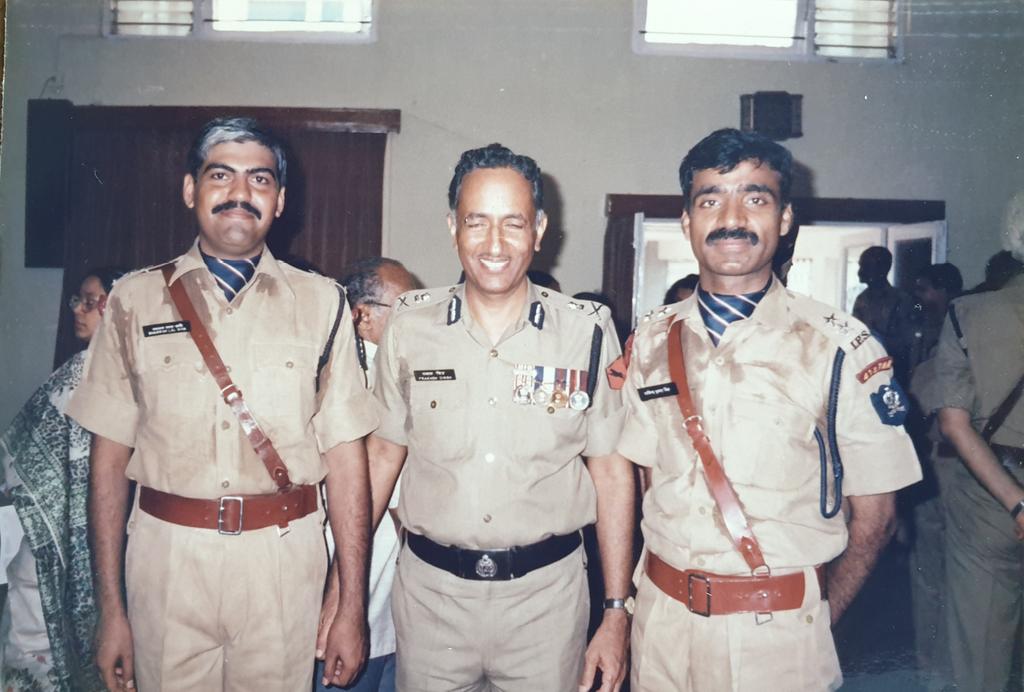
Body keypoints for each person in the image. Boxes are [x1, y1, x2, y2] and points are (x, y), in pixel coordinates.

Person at [66, 117, 378, 691]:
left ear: (280, 201)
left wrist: (350, 603)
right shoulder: (134, 300)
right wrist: (112, 608)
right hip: (166, 559)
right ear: (191, 190)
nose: (240, 193)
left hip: (283, 562)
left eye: (260, 180)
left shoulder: (322, 302)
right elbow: (107, 460)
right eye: (221, 176)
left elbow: (346, 459)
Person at [617, 128, 921, 691]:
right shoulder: (651, 342)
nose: (731, 217)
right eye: (710, 199)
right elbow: (639, 477)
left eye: (755, 198)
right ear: (687, 223)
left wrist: (813, 624)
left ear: (784, 220)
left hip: (778, 640)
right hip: (660, 631)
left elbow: (877, 518)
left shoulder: (841, 347)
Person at [355, 143, 635, 691]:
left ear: (539, 229)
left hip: (547, 604)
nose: (494, 244)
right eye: (476, 222)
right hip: (432, 600)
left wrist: (617, 610)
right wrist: (345, 591)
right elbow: (382, 457)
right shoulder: (410, 326)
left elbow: (611, 472)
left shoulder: (587, 331)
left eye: (513, 223)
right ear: (452, 226)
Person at [0, 268, 125, 691]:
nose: (77, 309)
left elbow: (19, 457)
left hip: (70, 536)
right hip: (77, 533)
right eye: (78, 299)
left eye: (91, 301)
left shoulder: (91, 371)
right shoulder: (108, 370)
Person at [932, 193, 1024, 692]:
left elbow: (954, 423)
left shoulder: (969, 312)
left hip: (992, 495)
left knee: (982, 653)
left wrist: (1017, 502)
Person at [315, 257, 417, 692]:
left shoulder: (395, 377)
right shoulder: (353, 383)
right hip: (352, 609)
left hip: (389, 614)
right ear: (362, 317)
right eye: (404, 310)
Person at [903, 262, 962, 683]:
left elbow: (921, 396)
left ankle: (939, 670)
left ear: (943, 291)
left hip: (949, 464)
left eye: (925, 289)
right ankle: (934, 668)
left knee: (937, 577)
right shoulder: (923, 329)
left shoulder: (958, 330)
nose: (919, 298)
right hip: (936, 463)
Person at [852, 246, 915, 380]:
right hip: (865, 367)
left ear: (882, 269)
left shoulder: (901, 300)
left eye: (866, 266)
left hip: (895, 368)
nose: (860, 271)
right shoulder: (861, 299)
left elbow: (909, 342)